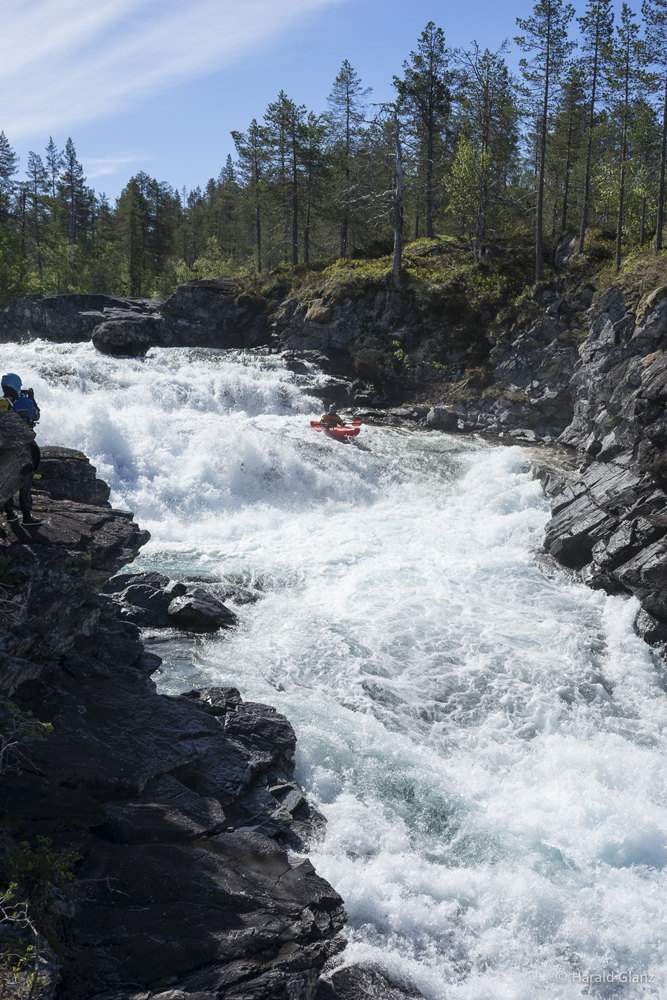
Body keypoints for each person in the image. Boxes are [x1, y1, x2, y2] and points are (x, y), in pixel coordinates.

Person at [1, 373, 42, 525]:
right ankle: (27, 517)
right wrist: (32, 398)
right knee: (25, 481)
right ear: (16, 386)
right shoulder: (24, 401)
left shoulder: (0, 402)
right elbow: (36, 416)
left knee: (7, 480)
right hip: (23, 448)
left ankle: (10, 514)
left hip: (4, 450)